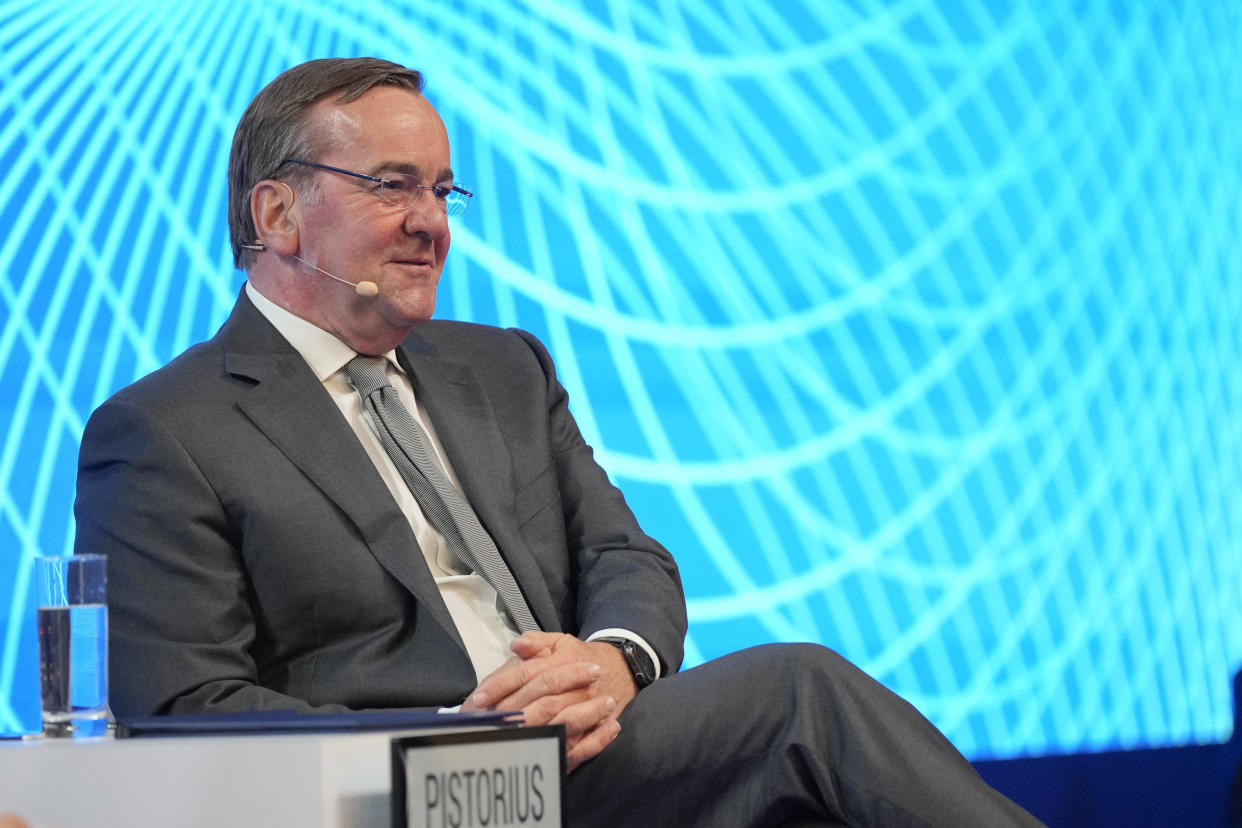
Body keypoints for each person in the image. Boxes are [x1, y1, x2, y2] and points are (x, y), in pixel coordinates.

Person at [74, 57, 1043, 826]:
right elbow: (184, 710)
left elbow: (626, 558)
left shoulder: (502, 368)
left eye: (443, 192)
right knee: (801, 697)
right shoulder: (166, 432)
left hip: (577, 761)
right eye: (391, 186)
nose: (429, 224)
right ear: (277, 215)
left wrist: (612, 661)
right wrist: (438, 740)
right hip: (411, 788)